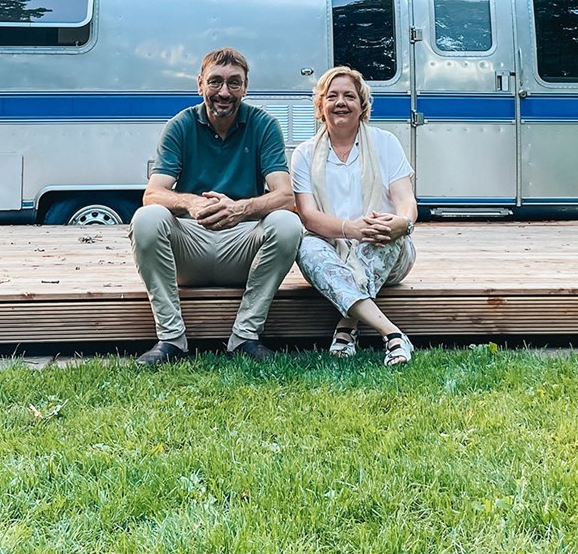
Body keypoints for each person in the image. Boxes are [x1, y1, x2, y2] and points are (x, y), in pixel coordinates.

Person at [130, 47, 300, 366]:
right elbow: (153, 193)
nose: (224, 92)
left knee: (288, 224)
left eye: (234, 83)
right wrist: (191, 202)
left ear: (245, 88)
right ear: (200, 84)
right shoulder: (180, 125)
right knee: (147, 218)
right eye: (215, 81)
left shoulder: (264, 125)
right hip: (190, 246)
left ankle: (246, 336)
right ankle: (171, 339)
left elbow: (285, 196)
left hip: (242, 246)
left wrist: (240, 209)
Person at [291, 66, 419, 367]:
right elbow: (308, 217)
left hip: (384, 249)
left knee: (382, 231)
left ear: (362, 105)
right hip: (332, 252)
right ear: (321, 105)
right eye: (332, 96)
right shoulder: (304, 154)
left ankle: (347, 325)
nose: (341, 102)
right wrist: (351, 230)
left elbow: (405, 201)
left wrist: (403, 224)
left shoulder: (386, 143)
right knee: (306, 245)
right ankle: (392, 333)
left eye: (349, 96)